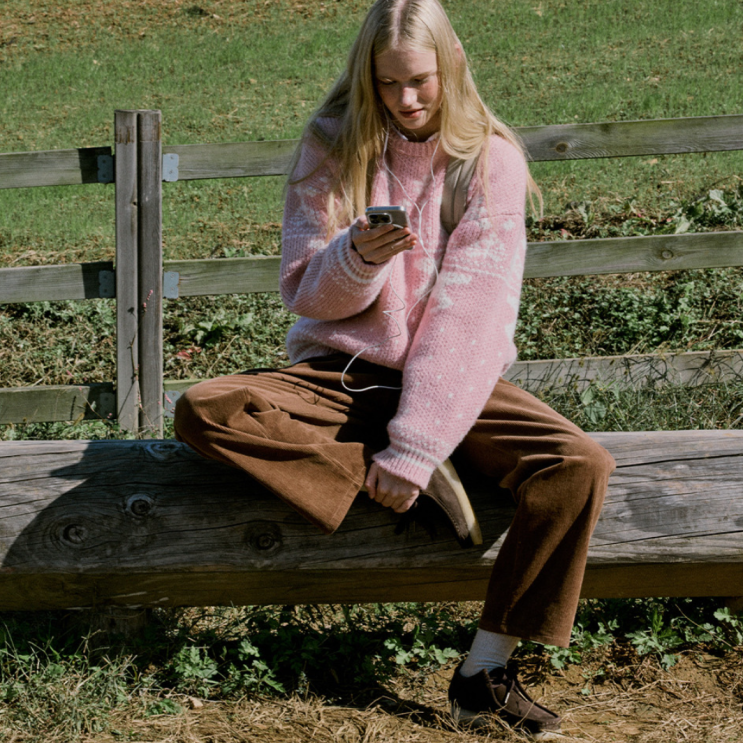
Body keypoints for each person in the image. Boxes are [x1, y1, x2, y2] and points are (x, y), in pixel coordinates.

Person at [174, 0, 615, 737]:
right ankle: (401, 475)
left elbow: (471, 315)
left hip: (451, 378)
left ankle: (484, 672)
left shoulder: (490, 161)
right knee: (206, 407)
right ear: (365, 76)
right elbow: (303, 291)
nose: (405, 99)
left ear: (452, 66)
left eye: (420, 80)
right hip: (340, 373)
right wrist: (356, 259)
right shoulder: (329, 144)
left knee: (579, 464)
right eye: (387, 82)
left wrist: (416, 441)